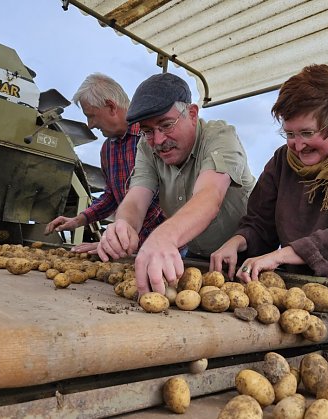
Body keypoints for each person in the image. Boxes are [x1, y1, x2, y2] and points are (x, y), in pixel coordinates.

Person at [210, 64, 328, 301]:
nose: (298, 145)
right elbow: (260, 223)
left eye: (307, 133)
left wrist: (280, 257)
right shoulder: (282, 161)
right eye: (290, 134)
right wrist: (237, 242)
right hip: (301, 289)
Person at [96, 73, 255, 295]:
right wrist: (124, 226)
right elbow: (136, 198)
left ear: (192, 113)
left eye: (166, 125)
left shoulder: (220, 136)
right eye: (148, 131)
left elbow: (210, 196)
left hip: (246, 258)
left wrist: (164, 237)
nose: (158, 140)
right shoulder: (146, 146)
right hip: (197, 257)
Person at [44, 73, 165, 252]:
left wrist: (120, 243)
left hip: (166, 244)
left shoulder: (153, 137)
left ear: (111, 106)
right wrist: (78, 220)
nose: (90, 125)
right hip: (133, 245)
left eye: (91, 116)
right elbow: (111, 196)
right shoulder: (108, 149)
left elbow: (161, 202)